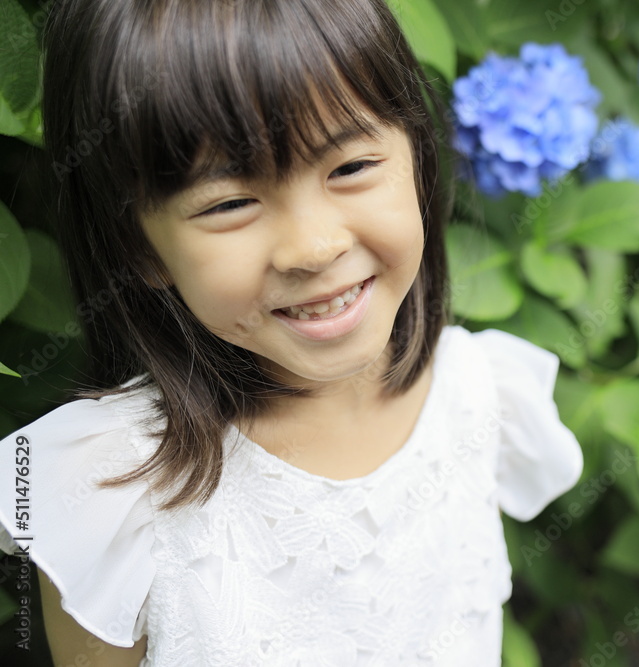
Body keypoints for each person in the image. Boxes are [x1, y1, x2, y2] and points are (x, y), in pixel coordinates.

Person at [0, 1, 584, 665]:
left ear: (418, 160)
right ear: (139, 247)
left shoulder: (478, 393)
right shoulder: (108, 492)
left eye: (350, 167)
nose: (311, 246)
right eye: (228, 203)